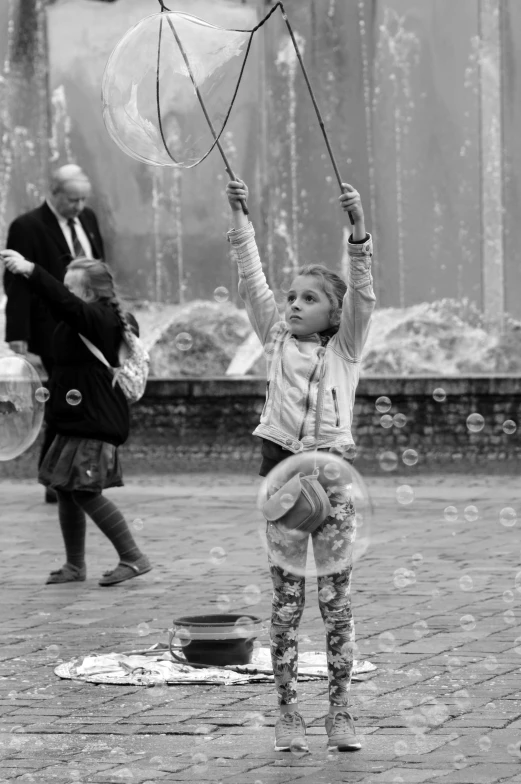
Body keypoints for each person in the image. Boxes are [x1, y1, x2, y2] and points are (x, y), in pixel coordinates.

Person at [225, 178, 375, 753]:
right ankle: (288, 712)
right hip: (283, 477)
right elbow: (251, 280)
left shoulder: (346, 349)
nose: (292, 304)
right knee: (286, 603)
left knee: (336, 603)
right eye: (291, 297)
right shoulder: (275, 337)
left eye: (308, 299)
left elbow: (365, 293)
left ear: (335, 314)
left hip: (333, 480)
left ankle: (341, 712)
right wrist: (242, 220)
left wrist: (357, 232)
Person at [0, 251, 151, 587]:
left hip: (94, 421)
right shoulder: (80, 318)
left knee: (84, 490)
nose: (64, 292)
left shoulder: (103, 320)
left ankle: (133, 557)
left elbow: (65, 304)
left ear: (90, 292)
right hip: (74, 418)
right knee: (65, 489)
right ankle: (74, 566)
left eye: (72, 287)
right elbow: (58, 305)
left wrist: (33, 269)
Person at [3, 164, 104, 503]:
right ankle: (56, 477)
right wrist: (17, 335)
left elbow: (98, 269)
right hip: (52, 331)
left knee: (73, 398)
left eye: (83, 199)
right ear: (54, 193)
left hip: (87, 326)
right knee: (63, 398)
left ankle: (66, 472)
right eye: (73, 199)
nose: (79, 206)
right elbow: (16, 283)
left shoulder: (88, 219)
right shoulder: (28, 226)